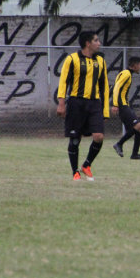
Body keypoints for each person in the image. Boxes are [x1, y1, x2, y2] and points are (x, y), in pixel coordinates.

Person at [56, 31, 110, 180]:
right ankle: (75, 172)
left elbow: (104, 86)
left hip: (94, 104)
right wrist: (61, 103)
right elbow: (63, 82)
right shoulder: (72, 59)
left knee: (99, 136)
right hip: (76, 103)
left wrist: (105, 110)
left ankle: (86, 165)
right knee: (75, 139)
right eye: (96, 40)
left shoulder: (100, 61)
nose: (99, 43)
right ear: (88, 43)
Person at [111, 56, 140, 160]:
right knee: (138, 127)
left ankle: (134, 154)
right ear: (134, 66)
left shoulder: (125, 73)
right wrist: (115, 104)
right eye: (139, 65)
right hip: (122, 106)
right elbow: (116, 88)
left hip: (124, 106)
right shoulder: (126, 74)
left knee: (137, 129)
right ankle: (119, 144)